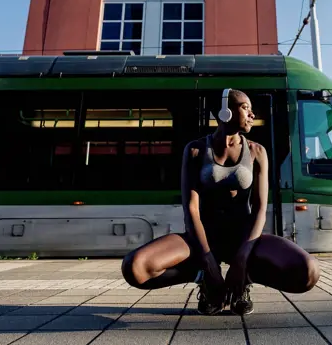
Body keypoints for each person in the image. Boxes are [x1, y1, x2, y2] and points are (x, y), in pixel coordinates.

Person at [121, 88, 320, 316]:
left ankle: (244, 281)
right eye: (246, 108)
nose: (252, 115)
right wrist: (207, 261)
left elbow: (259, 209)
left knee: (308, 273)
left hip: (243, 237)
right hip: (203, 239)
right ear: (225, 112)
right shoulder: (195, 150)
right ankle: (204, 280)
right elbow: (191, 209)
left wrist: (243, 258)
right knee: (134, 268)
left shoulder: (257, 151)